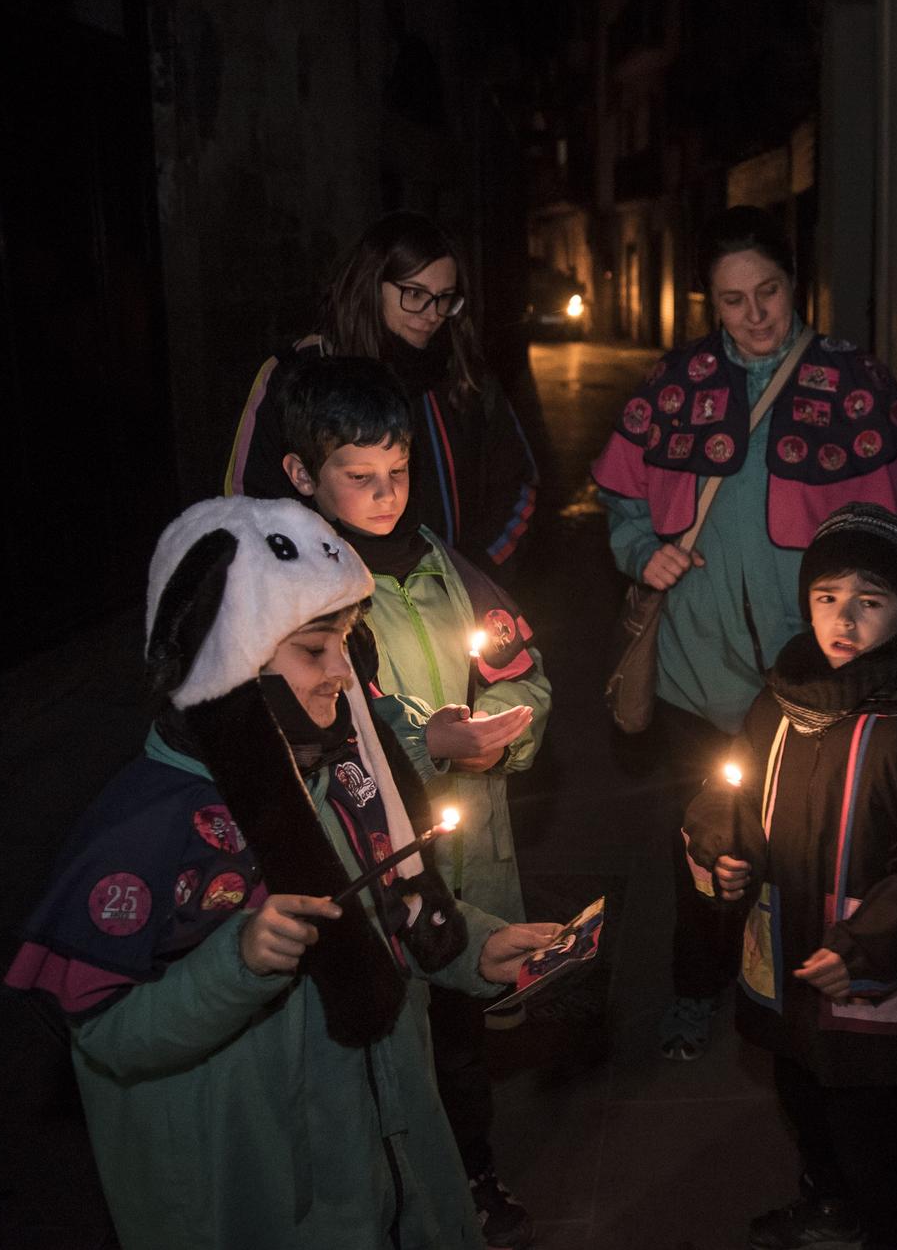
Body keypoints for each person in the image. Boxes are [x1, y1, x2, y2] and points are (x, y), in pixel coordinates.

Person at [4, 496, 563, 1249]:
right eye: (313, 650)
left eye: (346, 643)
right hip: (279, 1207)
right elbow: (108, 1039)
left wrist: (475, 949)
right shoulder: (148, 831)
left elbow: (390, 903)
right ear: (230, 660)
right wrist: (235, 963)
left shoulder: (344, 773)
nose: (345, 672)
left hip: (388, 1173)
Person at [590, 205, 897, 1061]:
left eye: (770, 291)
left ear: (797, 284)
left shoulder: (854, 385)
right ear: (709, 302)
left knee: (802, 855)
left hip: (806, 682)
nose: (755, 314)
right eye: (733, 299)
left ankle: (790, 996)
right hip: (692, 678)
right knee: (703, 849)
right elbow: (622, 498)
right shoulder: (673, 385)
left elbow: (896, 539)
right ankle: (693, 985)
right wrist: (643, 550)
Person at [276, 357, 552, 1247]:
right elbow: (316, 725)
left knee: (464, 1039)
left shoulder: (447, 568)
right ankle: (391, 1193)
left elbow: (522, 668)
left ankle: (471, 1173)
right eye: (359, 478)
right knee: (391, 1043)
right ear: (301, 476)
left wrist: (516, 724)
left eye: (396, 472)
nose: (385, 493)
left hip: (472, 851)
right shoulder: (303, 597)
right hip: (381, 859)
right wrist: (424, 741)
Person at [683, 502, 897, 1250]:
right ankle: (827, 1203)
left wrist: (864, 948)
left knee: (866, 1120)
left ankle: (889, 1230)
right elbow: (730, 792)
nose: (843, 618)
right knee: (799, 1089)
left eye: (869, 599)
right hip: (784, 946)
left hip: (865, 967)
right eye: (826, 597)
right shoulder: (782, 701)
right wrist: (724, 849)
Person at [227, 210, 540, 574]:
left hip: (449, 604)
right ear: (370, 284)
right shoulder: (301, 374)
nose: (432, 314)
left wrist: (473, 570)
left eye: (444, 298)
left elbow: (517, 481)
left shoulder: (462, 373)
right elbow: (250, 505)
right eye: (414, 293)